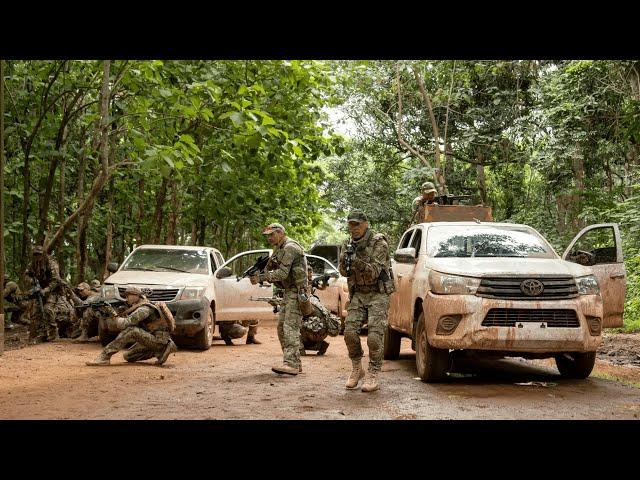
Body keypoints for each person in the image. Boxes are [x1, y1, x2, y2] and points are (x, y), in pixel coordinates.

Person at [339, 210, 394, 392]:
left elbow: (373, 272)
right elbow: (344, 272)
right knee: (349, 333)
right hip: (359, 293)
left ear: (366, 224)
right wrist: (344, 260)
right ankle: (357, 368)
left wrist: (355, 261)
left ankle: (373, 372)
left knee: (374, 337)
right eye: (350, 225)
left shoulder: (379, 243)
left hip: (378, 293)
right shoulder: (347, 244)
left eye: (357, 225)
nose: (353, 229)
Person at [249, 223, 309, 376]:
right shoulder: (280, 248)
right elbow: (273, 269)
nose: (269, 238)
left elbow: (282, 274)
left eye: (272, 234)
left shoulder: (290, 247)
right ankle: (294, 362)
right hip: (289, 292)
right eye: (267, 235)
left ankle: (291, 364)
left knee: (290, 328)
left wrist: (261, 277)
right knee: (282, 327)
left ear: (281, 233)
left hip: (297, 292)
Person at [85, 286, 177, 366]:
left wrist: (113, 313)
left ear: (135, 296)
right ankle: (161, 351)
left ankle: (104, 357)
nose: (126, 298)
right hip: (156, 340)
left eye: (127, 295)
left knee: (131, 330)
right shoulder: (142, 306)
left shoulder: (144, 309)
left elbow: (123, 324)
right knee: (128, 356)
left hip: (158, 341)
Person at [24, 246, 66, 342]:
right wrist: (32, 281)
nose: (37, 256)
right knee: (36, 313)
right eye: (35, 254)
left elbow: (56, 280)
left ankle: (53, 333)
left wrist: (46, 290)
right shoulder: (32, 264)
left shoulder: (52, 264)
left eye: (39, 254)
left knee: (47, 309)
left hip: (53, 290)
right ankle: (35, 335)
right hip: (40, 290)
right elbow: (26, 275)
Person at [299, 266, 340, 356]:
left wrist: (324, 280)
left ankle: (301, 348)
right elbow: (322, 287)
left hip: (314, 328)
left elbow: (322, 287)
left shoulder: (308, 295)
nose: (310, 275)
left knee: (294, 326)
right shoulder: (314, 298)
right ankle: (320, 345)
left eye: (310, 273)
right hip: (321, 329)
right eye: (308, 273)